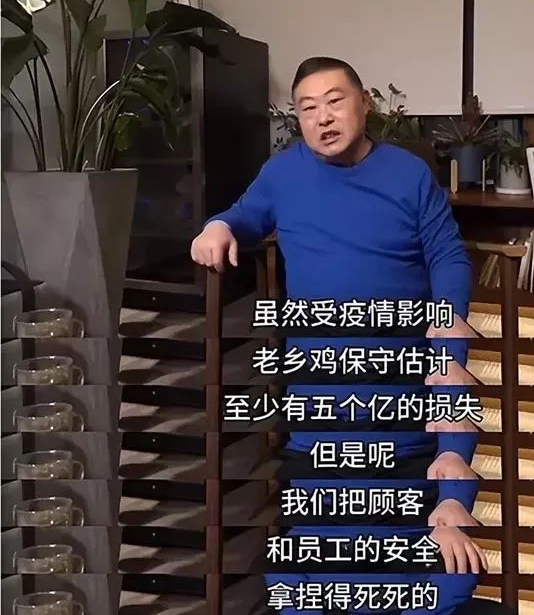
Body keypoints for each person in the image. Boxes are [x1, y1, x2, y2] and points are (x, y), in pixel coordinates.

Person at [191, 57, 517, 615]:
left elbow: (447, 257)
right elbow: (244, 214)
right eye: (307, 108)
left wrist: (447, 342)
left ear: (364, 103)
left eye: (335, 101)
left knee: (441, 573)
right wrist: (217, 226)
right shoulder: (282, 174)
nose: (323, 117)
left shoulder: (407, 174)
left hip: (403, 390)